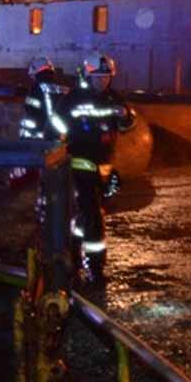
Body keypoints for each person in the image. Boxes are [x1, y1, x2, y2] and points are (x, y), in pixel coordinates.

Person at [55, 51, 134, 287]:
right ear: (88, 75)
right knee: (94, 216)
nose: (103, 80)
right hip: (81, 163)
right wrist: (65, 138)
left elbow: (127, 126)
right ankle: (95, 268)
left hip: (104, 166)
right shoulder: (74, 98)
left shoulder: (115, 99)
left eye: (106, 76)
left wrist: (125, 116)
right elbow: (57, 121)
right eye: (98, 76)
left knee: (86, 215)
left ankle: (73, 252)